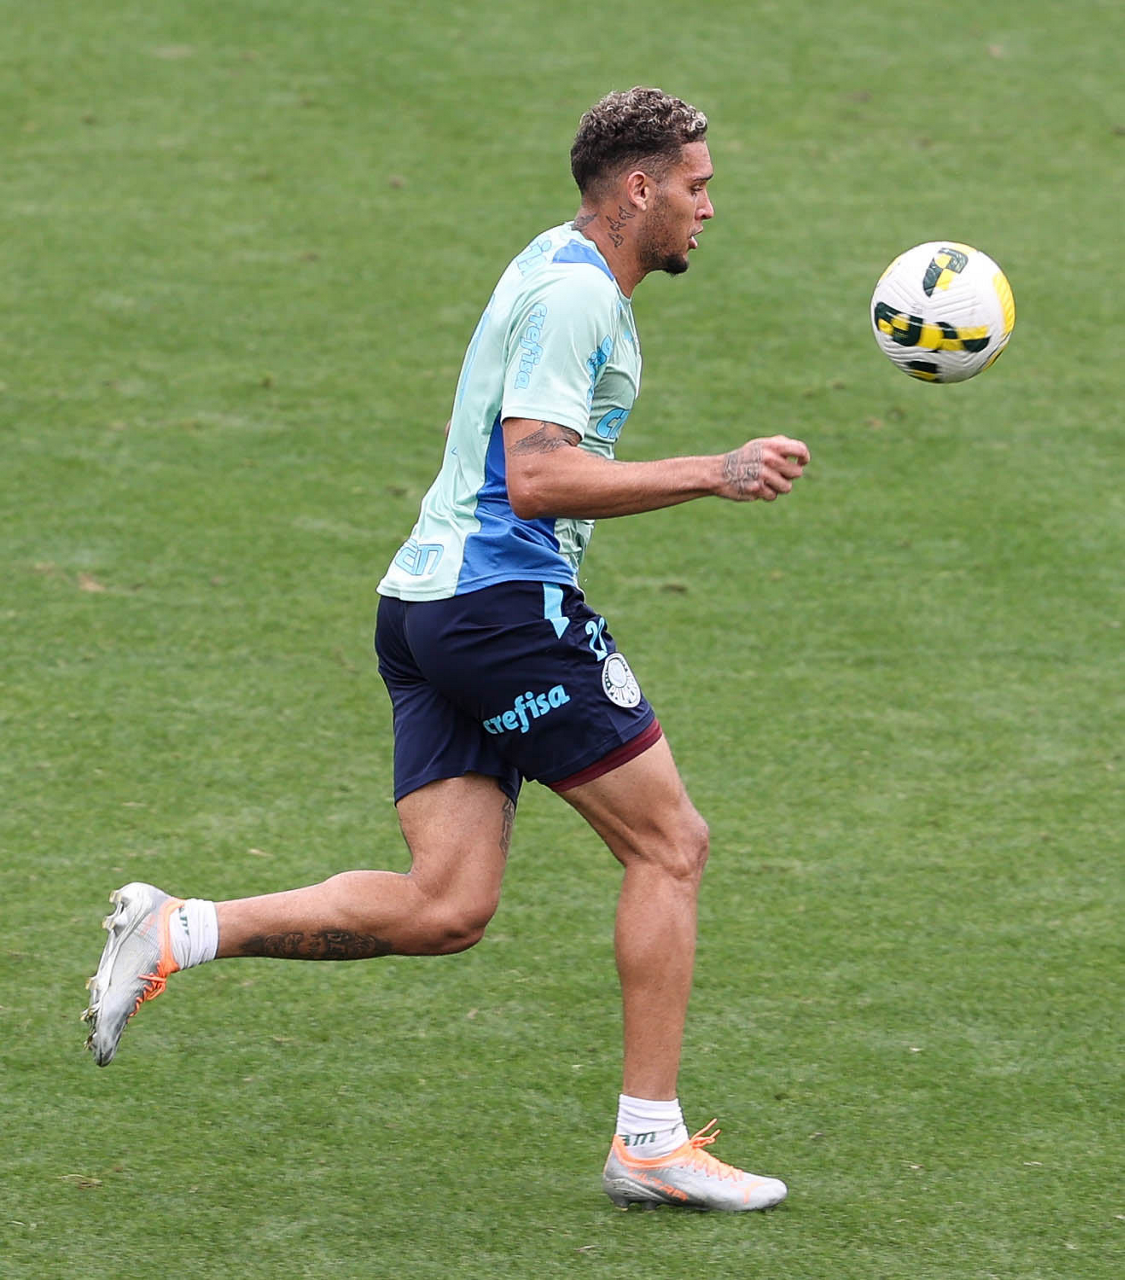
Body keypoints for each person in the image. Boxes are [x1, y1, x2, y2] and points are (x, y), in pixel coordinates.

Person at [83, 86, 810, 1212]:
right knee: (671, 845)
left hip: (424, 605)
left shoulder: (553, 260)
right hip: (499, 608)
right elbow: (537, 475)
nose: (708, 207)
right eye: (696, 185)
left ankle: (178, 929)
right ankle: (650, 1142)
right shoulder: (577, 297)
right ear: (639, 188)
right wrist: (715, 471)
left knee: (446, 905)